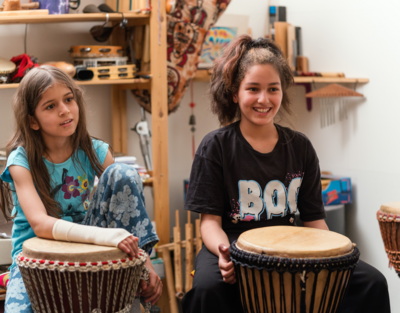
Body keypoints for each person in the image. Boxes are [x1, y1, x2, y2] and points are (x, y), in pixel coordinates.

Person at [181, 35, 390, 313]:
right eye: (253, 88)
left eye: (273, 89)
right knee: (207, 291)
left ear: (282, 92)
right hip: (231, 246)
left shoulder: (300, 147)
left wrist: (334, 253)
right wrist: (226, 253)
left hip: (291, 249)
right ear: (235, 93)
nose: (263, 99)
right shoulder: (215, 146)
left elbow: (315, 222)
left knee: (373, 282)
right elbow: (209, 223)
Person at [0, 66, 162, 312]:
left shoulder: (94, 150)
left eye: (68, 99)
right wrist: (106, 237)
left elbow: (124, 201)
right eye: (50, 106)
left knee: (122, 173)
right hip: (35, 258)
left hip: (87, 248)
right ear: (32, 120)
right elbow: (41, 224)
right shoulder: (20, 161)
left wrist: (145, 262)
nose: (65, 110)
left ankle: (139, 262)